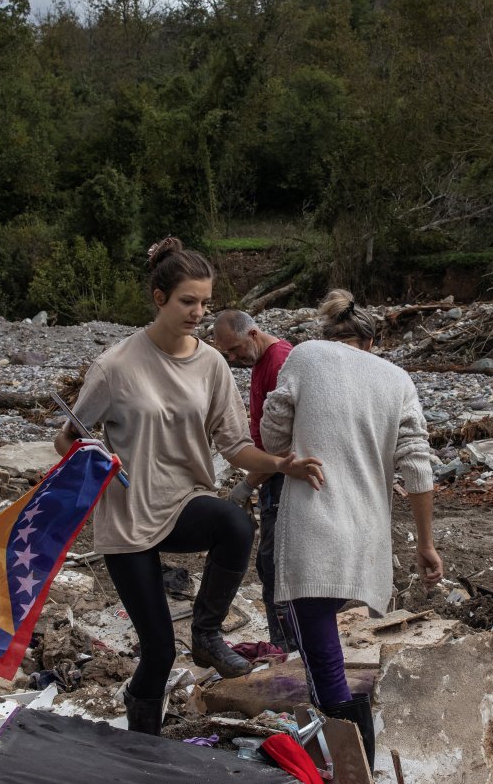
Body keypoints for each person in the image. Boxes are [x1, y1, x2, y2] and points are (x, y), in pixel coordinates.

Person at [57, 238, 325, 736]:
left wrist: (279, 464)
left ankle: (206, 634)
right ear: (159, 298)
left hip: (181, 503)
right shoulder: (115, 366)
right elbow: (69, 439)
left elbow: (235, 446)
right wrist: (87, 451)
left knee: (233, 524)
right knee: (157, 652)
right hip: (127, 518)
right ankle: (144, 742)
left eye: (205, 302)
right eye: (188, 302)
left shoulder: (212, 365)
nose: (199, 313)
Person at [260, 289, 443, 768]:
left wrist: (293, 448)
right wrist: (425, 544)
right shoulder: (397, 379)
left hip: (315, 530)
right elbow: (418, 467)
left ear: (329, 334)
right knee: (325, 638)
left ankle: (346, 759)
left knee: (317, 646)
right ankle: (347, 751)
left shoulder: (304, 355)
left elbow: (273, 434)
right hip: (367, 537)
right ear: (371, 340)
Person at [211, 309, 293, 651]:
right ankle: (284, 645)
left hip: (284, 480)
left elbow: (285, 443)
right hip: (273, 477)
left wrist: (248, 485)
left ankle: (287, 650)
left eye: (235, 349)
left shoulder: (279, 361)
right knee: (269, 563)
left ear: (254, 333)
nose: (233, 358)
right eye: (227, 353)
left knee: (277, 567)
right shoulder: (261, 362)